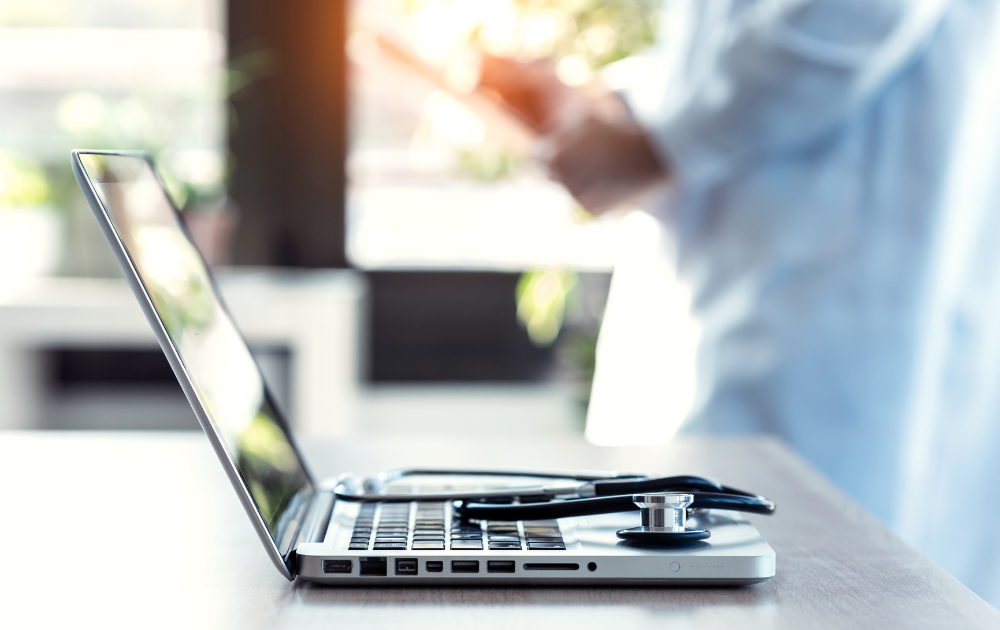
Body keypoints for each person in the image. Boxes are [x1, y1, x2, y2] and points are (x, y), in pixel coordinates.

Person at [481, 0, 1000, 605]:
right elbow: (720, 42)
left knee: (813, 580)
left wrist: (656, 147)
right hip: (745, 271)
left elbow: (856, 14)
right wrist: (611, 109)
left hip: (832, 294)